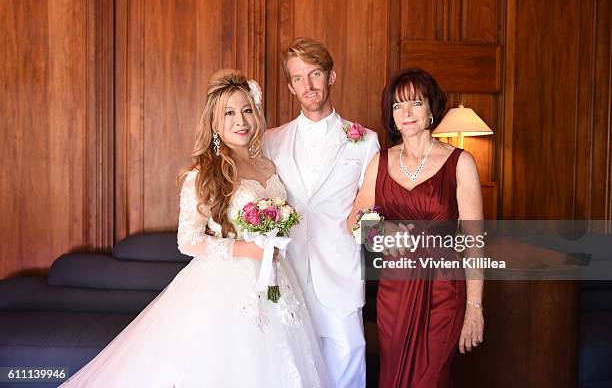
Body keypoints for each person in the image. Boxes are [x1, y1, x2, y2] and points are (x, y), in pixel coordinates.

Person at [60, 69, 329, 387]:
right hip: (227, 282)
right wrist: (246, 249)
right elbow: (187, 240)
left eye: (246, 110)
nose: (240, 121)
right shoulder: (204, 173)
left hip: (275, 278)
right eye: (228, 113)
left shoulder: (268, 166)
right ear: (214, 123)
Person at [348, 68, 485, 387]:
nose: (406, 113)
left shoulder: (460, 163)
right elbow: (353, 220)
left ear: (431, 109)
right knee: (393, 375)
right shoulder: (379, 161)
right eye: (397, 106)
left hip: (444, 291)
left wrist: (474, 307)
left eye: (415, 103)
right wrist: (380, 230)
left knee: (432, 378)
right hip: (395, 291)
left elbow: (475, 243)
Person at [263, 37, 380, 388]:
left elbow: (370, 209)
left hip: (340, 273)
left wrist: (376, 234)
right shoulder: (271, 140)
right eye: (299, 78)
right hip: (287, 273)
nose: (308, 85)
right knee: (291, 368)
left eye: (315, 74)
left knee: (347, 364)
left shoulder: (364, 141)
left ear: (331, 77)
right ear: (290, 86)